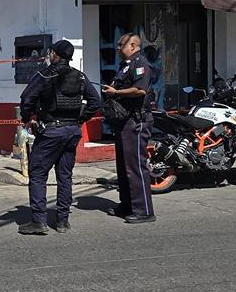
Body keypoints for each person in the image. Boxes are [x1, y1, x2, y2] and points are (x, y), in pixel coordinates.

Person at [17, 40, 101, 235]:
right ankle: (62, 221)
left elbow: (26, 99)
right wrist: (80, 118)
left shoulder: (45, 75)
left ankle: (39, 221)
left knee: (38, 174)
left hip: (51, 131)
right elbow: (95, 101)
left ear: (55, 55)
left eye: (51, 52)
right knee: (65, 176)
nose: (49, 55)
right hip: (72, 131)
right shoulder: (80, 77)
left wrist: (27, 118)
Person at [102, 33, 156, 224]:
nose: (118, 48)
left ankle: (144, 211)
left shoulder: (140, 64)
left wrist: (116, 92)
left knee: (136, 167)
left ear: (133, 46)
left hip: (137, 121)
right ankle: (127, 205)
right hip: (123, 121)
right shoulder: (125, 66)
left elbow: (140, 90)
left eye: (121, 44)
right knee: (124, 166)